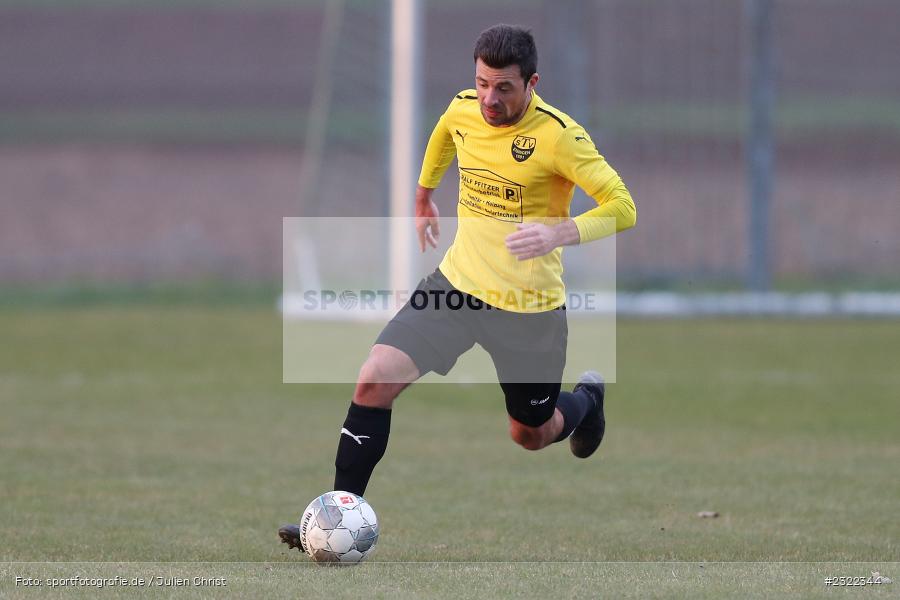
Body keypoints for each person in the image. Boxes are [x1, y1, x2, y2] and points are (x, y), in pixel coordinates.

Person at [280, 23, 636, 552]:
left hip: (528, 310)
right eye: (482, 83)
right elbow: (447, 131)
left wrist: (559, 232)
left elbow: (623, 206)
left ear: (532, 83)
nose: (489, 99)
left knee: (530, 433)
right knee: (374, 378)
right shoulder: (465, 108)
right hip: (456, 288)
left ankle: (587, 401)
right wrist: (424, 194)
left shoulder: (560, 137)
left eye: (504, 88)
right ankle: (336, 521)